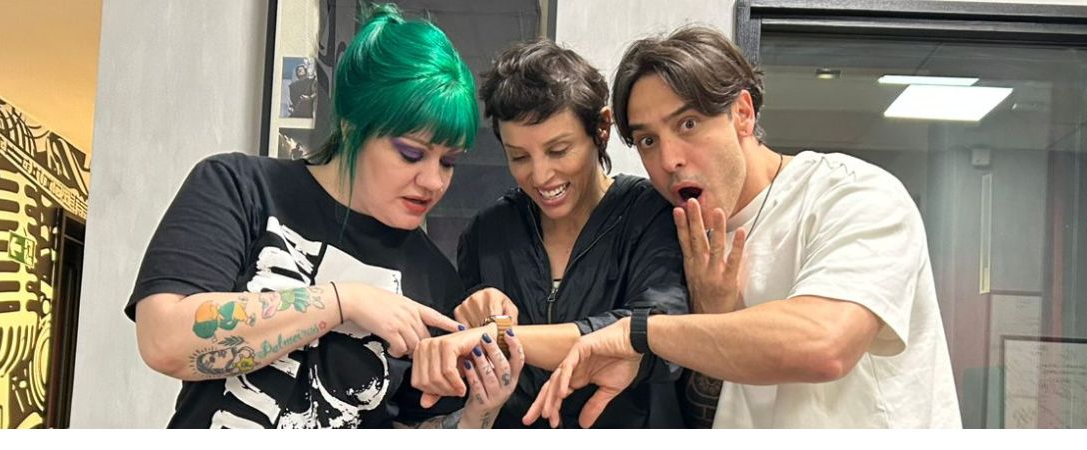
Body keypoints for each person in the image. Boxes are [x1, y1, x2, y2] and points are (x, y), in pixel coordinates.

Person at [525, 25, 961, 428]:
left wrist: (638, 333)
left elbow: (825, 345)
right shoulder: (678, 234)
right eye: (648, 140)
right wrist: (711, 319)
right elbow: (711, 404)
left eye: (688, 124)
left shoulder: (851, 194)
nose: (669, 160)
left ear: (742, 113)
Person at [127, 4, 520, 428]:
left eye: (448, 162)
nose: (433, 181)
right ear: (351, 126)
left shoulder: (434, 280)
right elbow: (163, 339)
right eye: (411, 154)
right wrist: (343, 301)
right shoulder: (241, 188)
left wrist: (480, 411)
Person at [408, 39, 718, 428]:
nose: (540, 176)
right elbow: (479, 378)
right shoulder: (487, 234)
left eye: (558, 150)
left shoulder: (652, 215)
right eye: (519, 156)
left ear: (601, 128)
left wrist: (502, 334)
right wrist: (473, 313)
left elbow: (658, 333)